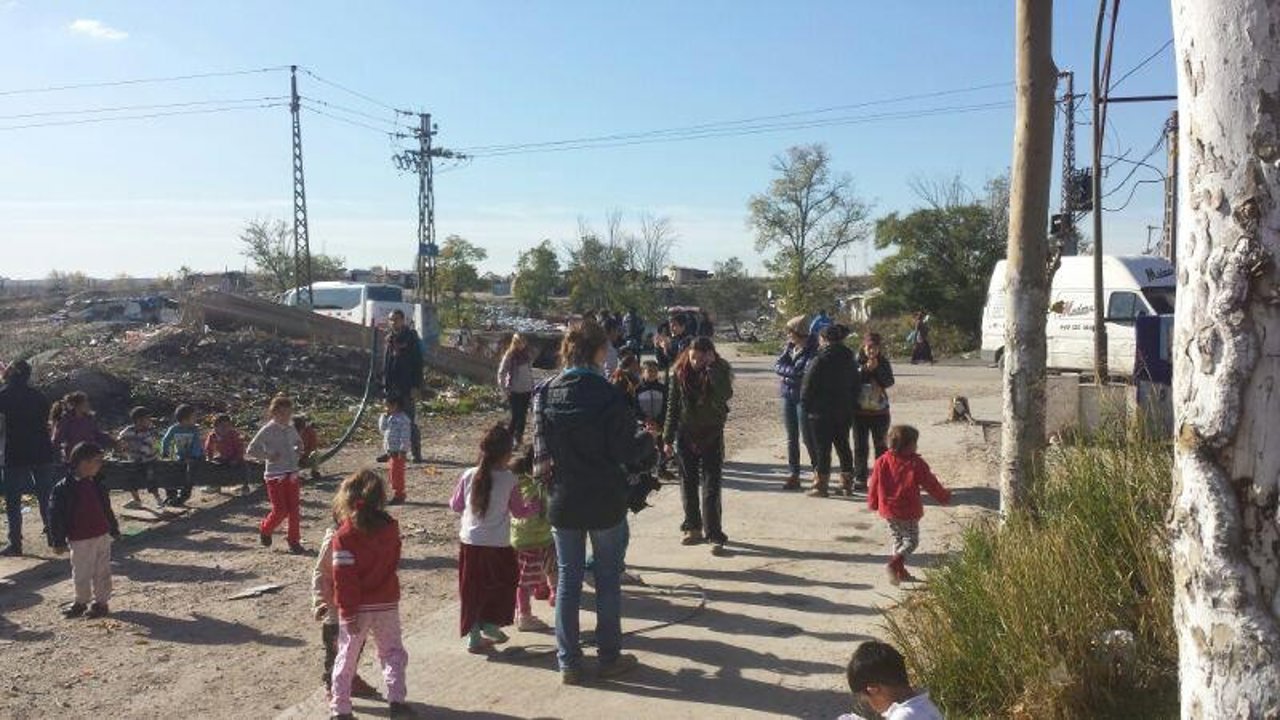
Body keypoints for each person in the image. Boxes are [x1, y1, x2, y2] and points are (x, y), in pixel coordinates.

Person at [536, 321, 657, 684]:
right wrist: (648, 441)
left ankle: (568, 662)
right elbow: (627, 449)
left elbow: (540, 456)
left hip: (563, 498)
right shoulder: (608, 393)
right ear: (599, 352)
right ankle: (608, 656)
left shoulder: (545, 392)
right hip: (605, 497)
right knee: (606, 579)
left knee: (568, 581)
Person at [329, 470, 412, 720]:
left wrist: (347, 611)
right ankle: (397, 701)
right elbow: (394, 561)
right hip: (387, 601)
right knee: (392, 652)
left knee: (347, 656)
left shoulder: (344, 536)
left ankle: (340, 708)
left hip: (357, 607)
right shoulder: (390, 528)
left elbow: (344, 579)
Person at [450, 424, 540, 653]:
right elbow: (519, 511)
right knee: (503, 584)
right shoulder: (509, 479)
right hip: (498, 544)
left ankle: (473, 635)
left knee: (471, 589)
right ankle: (491, 624)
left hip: (470, 542)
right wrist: (535, 506)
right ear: (506, 454)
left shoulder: (468, 474)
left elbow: (456, 505)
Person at [664, 336, 734, 552]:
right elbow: (672, 406)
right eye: (693, 357)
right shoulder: (679, 372)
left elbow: (725, 395)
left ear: (710, 355)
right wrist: (667, 438)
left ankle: (714, 533)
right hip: (686, 435)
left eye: (701, 359)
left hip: (711, 433)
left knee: (711, 485)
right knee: (688, 483)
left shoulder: (720, 368)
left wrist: (712, 368)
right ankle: (693, 527)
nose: (695, 362)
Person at [311, 505, 379, 702]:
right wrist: (319, 601)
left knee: (354, 647)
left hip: (355, 606)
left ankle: (350, 677)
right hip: (334, 611)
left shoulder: (358, 538)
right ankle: (333, 687)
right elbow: (320, 573)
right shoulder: (332, 540)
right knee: (335, 652)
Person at [867, 425, 950, 585]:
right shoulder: (915, 463)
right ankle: (894, 564)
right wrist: (944, 497)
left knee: (898, 539)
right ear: (907, 445)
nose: (916, 446)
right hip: (908, 510)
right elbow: (930, 483)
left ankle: (900, 571)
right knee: (911, 541)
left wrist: (873, 502)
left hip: (889, 510)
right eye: (914, 443)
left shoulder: (881, 461)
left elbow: (874, 484)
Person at [46, 442, 119, 619]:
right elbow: (56, 515)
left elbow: (106, 508)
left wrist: (114, 528)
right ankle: (81, 601)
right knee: (82, 572)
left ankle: (101, 603)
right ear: (83, 463)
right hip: (80, 538)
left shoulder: (97, 483)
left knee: (102, 570)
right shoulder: (63, 488)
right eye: (97, 461)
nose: (100, 464)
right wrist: (57, 540)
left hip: (101, 534)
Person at [0, 360, 56, 556]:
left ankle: (15, 543)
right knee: (45, 495)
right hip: (41, 449)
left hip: (16, 452)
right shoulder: (38, 396)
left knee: (13, 500)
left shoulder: (4, 395)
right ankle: (53, 536)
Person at [801, 324, 858, 498]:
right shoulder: (850, 359)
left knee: (822, 449)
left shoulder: (820, 359)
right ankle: (847, 484)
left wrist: (806, 406)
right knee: (843, 445)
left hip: (821, 411)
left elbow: (807, 386)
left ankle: (821, 485)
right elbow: (856, 385)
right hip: (844, 410)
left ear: (824, 339)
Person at [246, 395, 306, 554]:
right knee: (280, 510)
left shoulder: (291, 427)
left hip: (292, 473)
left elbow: (299, 442)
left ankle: (294, 541)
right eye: (282, 414)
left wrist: (299, 448)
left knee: (294, 510)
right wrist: (268, 456)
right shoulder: (267, 430)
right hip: (275, 475)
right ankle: (266, 528)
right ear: (274, 413)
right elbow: (251, 449)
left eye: (289, 414)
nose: (286, 417)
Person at [509, 446, 555, 632]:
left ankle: (543, 590)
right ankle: (524, 615)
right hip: (533, 538)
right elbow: (531, 512)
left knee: (535, 572)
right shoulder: (535, 484)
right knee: (525, 580)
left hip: (523, 537)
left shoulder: (516, 481)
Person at [842, 640, 944, 720]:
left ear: (873, 689)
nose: (871, 707)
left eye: (867, 700)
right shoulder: (924, 704)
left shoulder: (903, 716)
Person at [774, 315, 819, 491]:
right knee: (791, 437)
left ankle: (818, 471)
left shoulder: (813, 349)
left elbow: (805, 373)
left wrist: (788, 373)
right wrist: (790, 372)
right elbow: (778, 365)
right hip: (788, 396)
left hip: (803, 397)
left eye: (790, 332)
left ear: (797, 332)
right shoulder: (790, 347)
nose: (788, 336)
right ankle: (794, 474)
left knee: (808, 437)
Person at [853, 333, 896, 494]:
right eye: (869, 347)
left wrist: (877, 369)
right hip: (859, 412)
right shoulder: (856, 362)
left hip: (880, 412)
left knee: (881, 446)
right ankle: (860, 478)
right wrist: (864, 370)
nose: (872, 350)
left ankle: (881, 478)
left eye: (875, 347)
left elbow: (889, 381)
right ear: (863, 347)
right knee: (860, 447)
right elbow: (851, 381)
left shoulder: (883, 362)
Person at [383, 309, 425, 464]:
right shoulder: (389, 339)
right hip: (392, 386)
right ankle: (392, 451)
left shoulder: (411, 338)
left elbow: (418, 363)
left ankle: (416, 453)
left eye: (396, 319)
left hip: (407, 386)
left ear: (402, 320)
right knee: (391, 421)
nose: (393, 322)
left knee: (408, 421)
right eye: (391, 320)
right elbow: (387, 363)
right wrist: (385, 386)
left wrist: (416, 385)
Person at [49, 392, 115, 464]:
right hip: (74, 458)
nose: (87, 405)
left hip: (90, 456)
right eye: (85, 403)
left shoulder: (89, 419)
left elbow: (97, 434)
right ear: (77, 405)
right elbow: (57, 440)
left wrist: (112, 441)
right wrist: (59, 459)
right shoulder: (67, 420)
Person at [117, 406, 162, 508]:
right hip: (134, 460)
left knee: (151, 477)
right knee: (129, 477)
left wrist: (137, 450)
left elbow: (149, 447)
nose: (149, 421)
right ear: (138, 420)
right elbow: (120, 439)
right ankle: (137, 500)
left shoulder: (149, 432)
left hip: (149, 460)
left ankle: (158, 498)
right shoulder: (129, 431)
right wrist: (122, 445)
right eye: (147, 419)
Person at [159, 404, 204, 506]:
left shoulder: (195, 429)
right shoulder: (174, 429)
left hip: (196, 457)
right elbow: (165, 441)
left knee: (190, 472)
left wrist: (192, 457)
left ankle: (184, 496)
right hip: (182, 457)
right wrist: (165, 454)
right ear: (185, 419)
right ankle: (171, 495)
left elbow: (197, 445)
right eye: (194, 416)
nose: (196, 418)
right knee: (169, 469)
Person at [497, 334, 535, 446]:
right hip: (514, 390)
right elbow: (502, 372)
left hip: (526, 389)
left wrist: (532, 387)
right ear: (514, 342)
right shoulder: (510, 356)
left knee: (522, 416)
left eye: (523, 342)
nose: (521, 344)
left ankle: (518, 439)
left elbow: (529, 372)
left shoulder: (527, 355)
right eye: (519, 342)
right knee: (515, 416)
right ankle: (508, 439)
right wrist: (503, 388)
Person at [378, 395, 412, 505]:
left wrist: (403, 450)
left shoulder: (403, 420)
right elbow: (382, 429)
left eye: (387, 406)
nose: (385, 408)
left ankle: (399, 495)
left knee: (397, 475)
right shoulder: (390, 417)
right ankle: (395, 493)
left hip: (398, 453)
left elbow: (405, 436)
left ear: (395, 405)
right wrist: (383, 417)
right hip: (391, 451)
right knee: (392, 474)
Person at [294, 414, 321, 480]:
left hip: (306, 455)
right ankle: (294, 474)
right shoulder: (288, 431)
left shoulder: (310, 431)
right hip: (292, 458)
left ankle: (314, 471)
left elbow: (313, 446)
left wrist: (305, 455)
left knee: (315, 453)